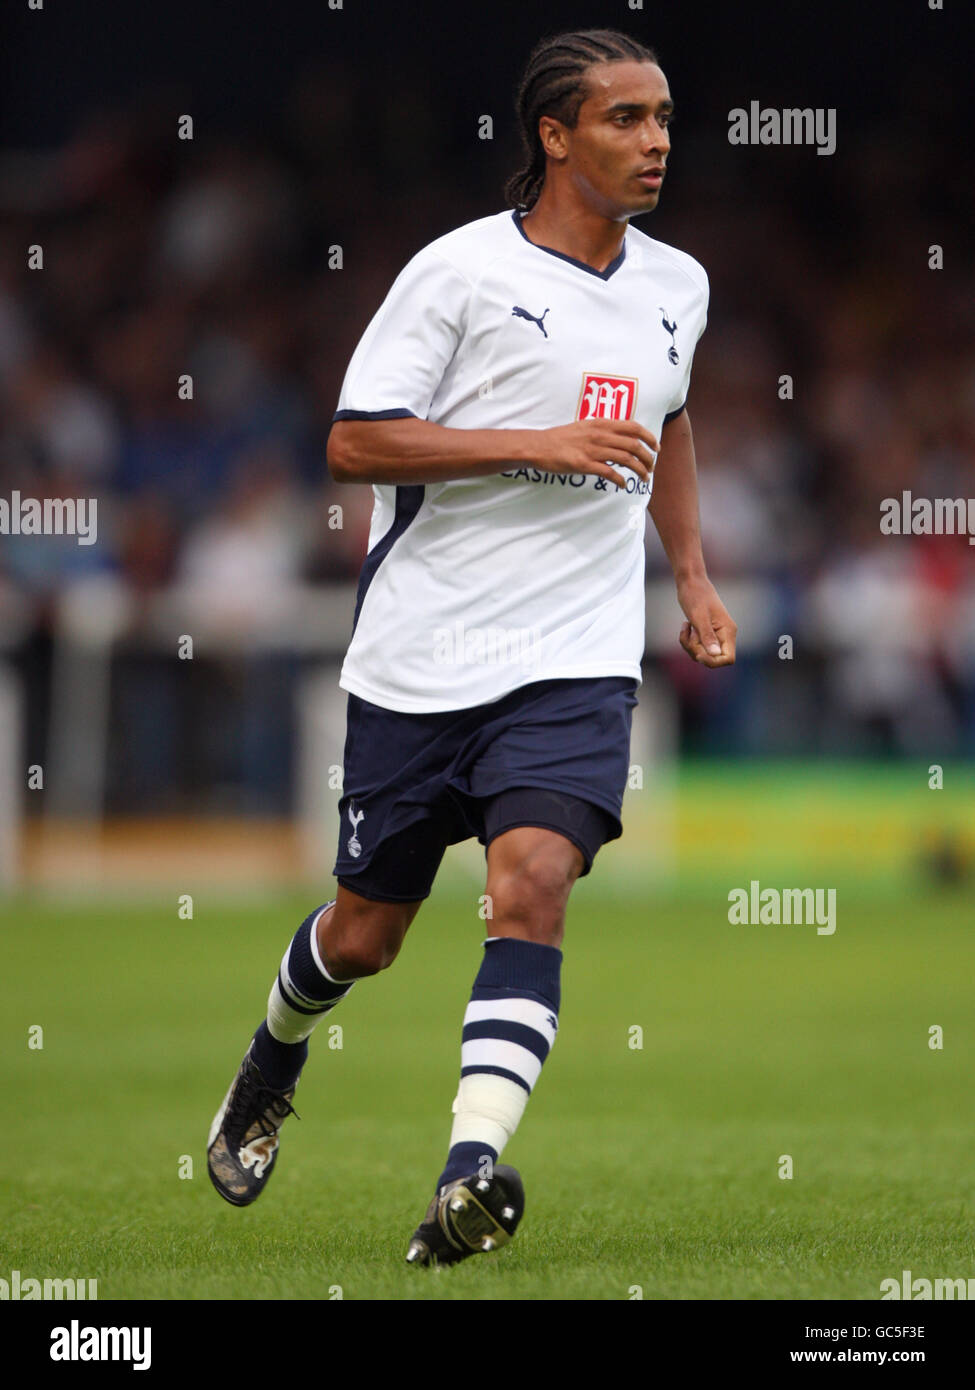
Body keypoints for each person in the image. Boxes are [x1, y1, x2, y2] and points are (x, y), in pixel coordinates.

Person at [207, 26, 737, 1267]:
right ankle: (272, 1055)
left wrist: (696, 576)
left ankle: (467, 1175)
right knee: (365, 934)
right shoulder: (455, 273)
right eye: (624, 119)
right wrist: (536, 443)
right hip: (424, 654)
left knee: (534, 879)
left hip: (576, 654)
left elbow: (676, 417)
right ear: (555, 136)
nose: (656, 140)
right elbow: (354, 439)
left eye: (663, 117)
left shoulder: (681, 286)